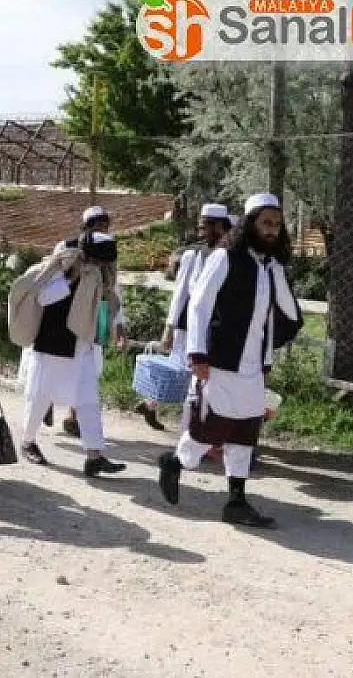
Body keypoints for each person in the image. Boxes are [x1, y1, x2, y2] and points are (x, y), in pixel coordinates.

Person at [157, 193, 303, 528]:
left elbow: (286, 314)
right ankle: (175, 463)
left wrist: (268, 355)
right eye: (266, 223)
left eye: (277, 225)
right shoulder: (225, 257)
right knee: (212, 427)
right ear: (250, 224)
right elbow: (199, 305)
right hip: (220, 360)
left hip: (253, 365)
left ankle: (236, 501)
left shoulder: (271, 267)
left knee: (245, 430)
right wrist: (197, 353)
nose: (272, 230)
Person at [12, 231, 128, 476]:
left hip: (82, 348)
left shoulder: (99, 278)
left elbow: (108, 304)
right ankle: (27, 442)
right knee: (40, 397)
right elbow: (42, 298)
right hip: (53, 346)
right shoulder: (61, 269)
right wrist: (70, 281)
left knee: (88, 401)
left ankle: (94, 456)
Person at [136, 203, 234, 430]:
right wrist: (169, 329)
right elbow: (180, 293)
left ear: (220, 227)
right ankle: (187, 426)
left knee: (196, 375)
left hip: (215, 324)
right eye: (200, 227)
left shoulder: (229, 254)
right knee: (185, 371)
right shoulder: (193, 254)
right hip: (188, 323)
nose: (201, 232)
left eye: (205, 227)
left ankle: (155, 406)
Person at [39, 206, 126, 436]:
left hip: (93, 318)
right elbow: (50, 276)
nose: (103, 228)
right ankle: (46, 401)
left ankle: (73, 416)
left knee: (89, 369)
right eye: (98, 223)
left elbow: (113, 289)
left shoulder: (108, 250)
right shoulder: (66, 247)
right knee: (59, 365)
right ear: (87, 227)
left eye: (105, 224)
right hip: (63, 316)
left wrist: (119, 324)